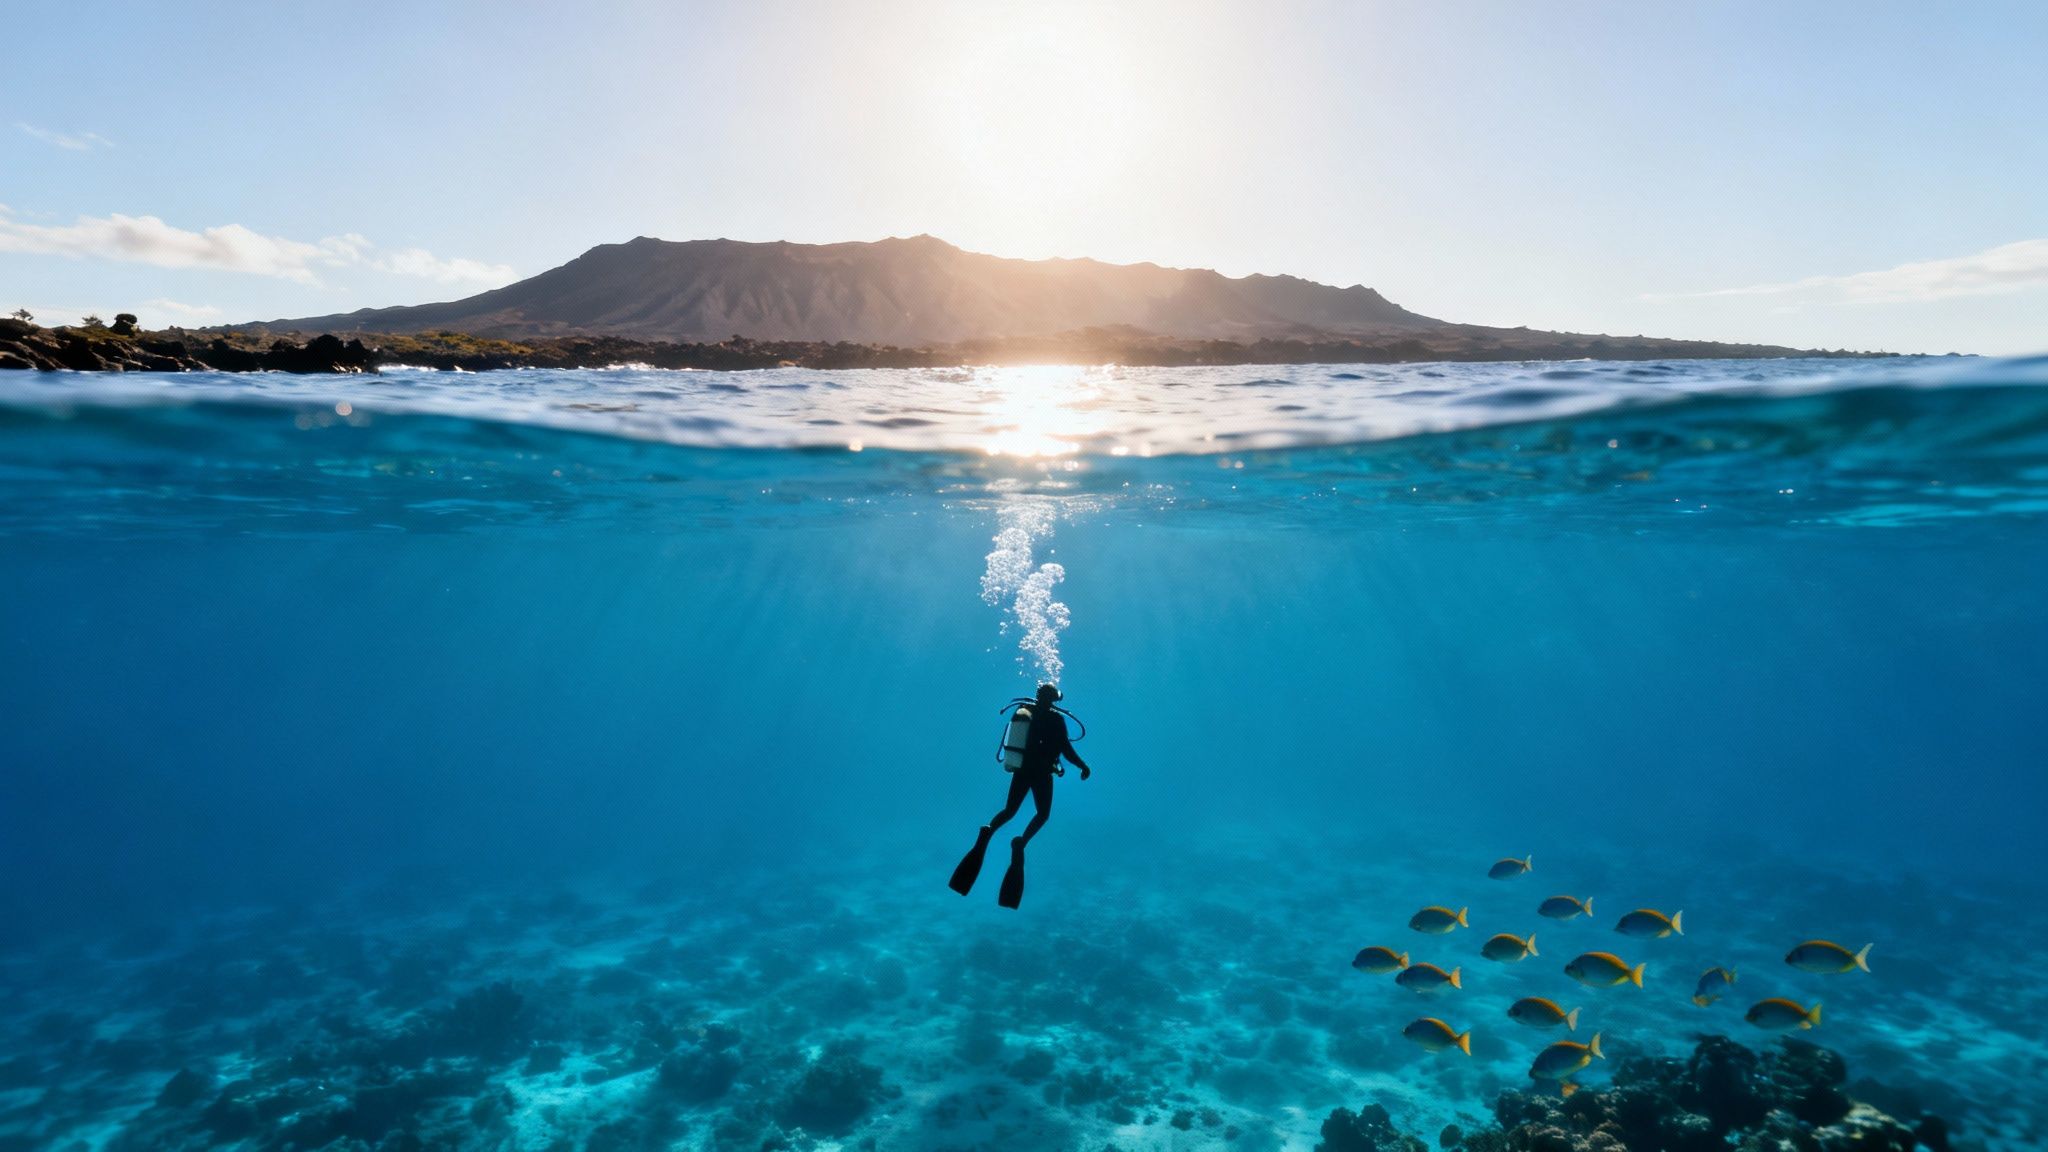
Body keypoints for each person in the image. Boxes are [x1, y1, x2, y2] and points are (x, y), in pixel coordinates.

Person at [948, 683, 1092, 908]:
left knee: (1009, 811)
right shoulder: (1056, 720)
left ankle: (987, 833)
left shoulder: (1025, 712)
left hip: (1022, 771)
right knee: (1042, 814)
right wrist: (1083, 766)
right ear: (1054, 699)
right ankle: (1020, 843)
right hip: (1043, 774)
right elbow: (1066, 749)